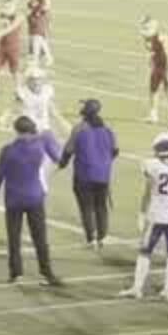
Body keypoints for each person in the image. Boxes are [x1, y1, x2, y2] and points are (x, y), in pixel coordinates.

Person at [0, 115, 63, 285]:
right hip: (34, 197)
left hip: (14, 199)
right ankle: (47, 272)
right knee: (40, 238)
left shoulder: (8, 150)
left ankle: (16, 273)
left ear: (16, 130)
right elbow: (56, 155)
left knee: (14, 238)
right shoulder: (39, 145)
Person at [123, 132, 168, 300]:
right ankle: (167, 291)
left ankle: (137, 288)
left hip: (155, 216)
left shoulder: (152, 166)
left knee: (144, 252)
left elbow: (147, 193)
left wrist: (142, 213)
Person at [60, 98, 119, 249]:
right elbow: (115, 151)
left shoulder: (79, 128)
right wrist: (104, 161)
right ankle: (102, 237)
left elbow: (68, 150)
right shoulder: (108, 130)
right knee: (101, 206)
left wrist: (62, 163)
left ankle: (91, 239)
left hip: (84, 175)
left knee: (86, 207)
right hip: (103, 175)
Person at [141, 16, 168, 127]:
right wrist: (151, 60)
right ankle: (153, 114)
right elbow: (152, 51)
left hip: (165, 66)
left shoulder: (163, 37)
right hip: (156, 66)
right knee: (153, 90)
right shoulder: (147, 38)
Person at [0, 0, 22, 103]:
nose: (6, 8)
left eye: (9, 6)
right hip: (2, 46)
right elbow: (0, 18)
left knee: (15, 71)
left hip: (13, 46)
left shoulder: (19, 16)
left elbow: (12, 27)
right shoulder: (3, 15)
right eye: (5, 6)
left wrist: (1, 33)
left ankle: (19, 92)